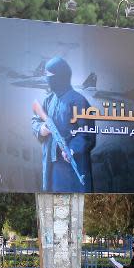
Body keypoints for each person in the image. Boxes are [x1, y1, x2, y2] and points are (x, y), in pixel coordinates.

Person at [31, 56, 96, 192]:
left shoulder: (79, 101)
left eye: (50, 75)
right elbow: (36, 121)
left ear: (60, 76)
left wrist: (71, 149)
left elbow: (88, 135)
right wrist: (42, 129)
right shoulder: (48, 100)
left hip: (71, 170)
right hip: (50, 166)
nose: (47, 79)